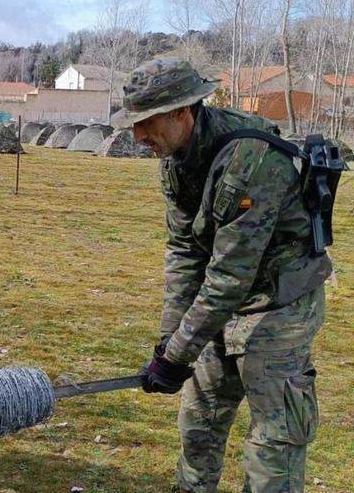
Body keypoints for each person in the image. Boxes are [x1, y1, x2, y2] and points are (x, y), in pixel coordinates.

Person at [118, 58, 331, 493]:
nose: (138, 137)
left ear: (183, 111)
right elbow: (184, 252)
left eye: (147, 122)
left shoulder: (250, 160)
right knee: (200, 420)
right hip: (222, 304)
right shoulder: (175, 159)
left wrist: (177, 356)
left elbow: (229, 277)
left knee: (274, 438)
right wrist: (169, 342)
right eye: (133, 123)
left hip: (279, 305)